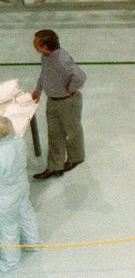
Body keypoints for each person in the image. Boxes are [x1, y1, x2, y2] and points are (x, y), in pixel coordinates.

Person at [30, 30, 86, 180]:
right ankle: (55, 166)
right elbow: (44, 74)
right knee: (54, 134)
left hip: (68, 103)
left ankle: (76, 157)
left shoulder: (62, 59)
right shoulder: (45, 57)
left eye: (36, 43)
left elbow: (80, 76)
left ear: (45, 46)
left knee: (72, 131)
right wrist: (38, 90)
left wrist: (71, 88)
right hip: (53, 101)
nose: (33, 45)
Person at [0, 116, 39, 272]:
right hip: (21, 186)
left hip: (5, 196)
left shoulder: (2, 155)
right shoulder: (18, 141)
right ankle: (32, 243)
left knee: (7, 227)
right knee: (26, 214)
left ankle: (11, 262)